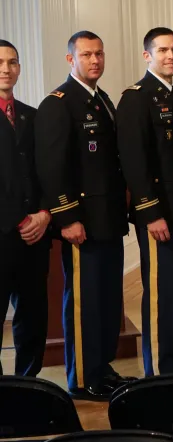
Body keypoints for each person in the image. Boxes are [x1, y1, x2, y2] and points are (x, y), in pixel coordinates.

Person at [35, 31, 135, 399]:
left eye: (99, 54)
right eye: (87, 55)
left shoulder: (103, 100)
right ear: (70, 60)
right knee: (84, 303)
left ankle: (102, 368)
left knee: (108, 300)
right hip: (82, 224)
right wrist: (66, 219)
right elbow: (51, 168)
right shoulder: (58, 104)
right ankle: (82, 378)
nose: (95, 61)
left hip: (108, 219)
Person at [116, 27, 173, 376]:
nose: (170, 56)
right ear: (147, 55)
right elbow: (134, 162)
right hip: (158, 216)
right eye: (163, 50)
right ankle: (159, 373)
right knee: (160, 295)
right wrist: (150, 213)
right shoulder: (136, 98)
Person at [0, 39, 49, 377]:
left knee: (33, 317)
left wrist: (45, 214)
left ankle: (27, 384)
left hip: (35, 236)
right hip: (2, 234)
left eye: (13, 62)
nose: (6, 68)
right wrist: (17, 219)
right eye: (0, 62)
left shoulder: (34, 116)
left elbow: (51, 172)